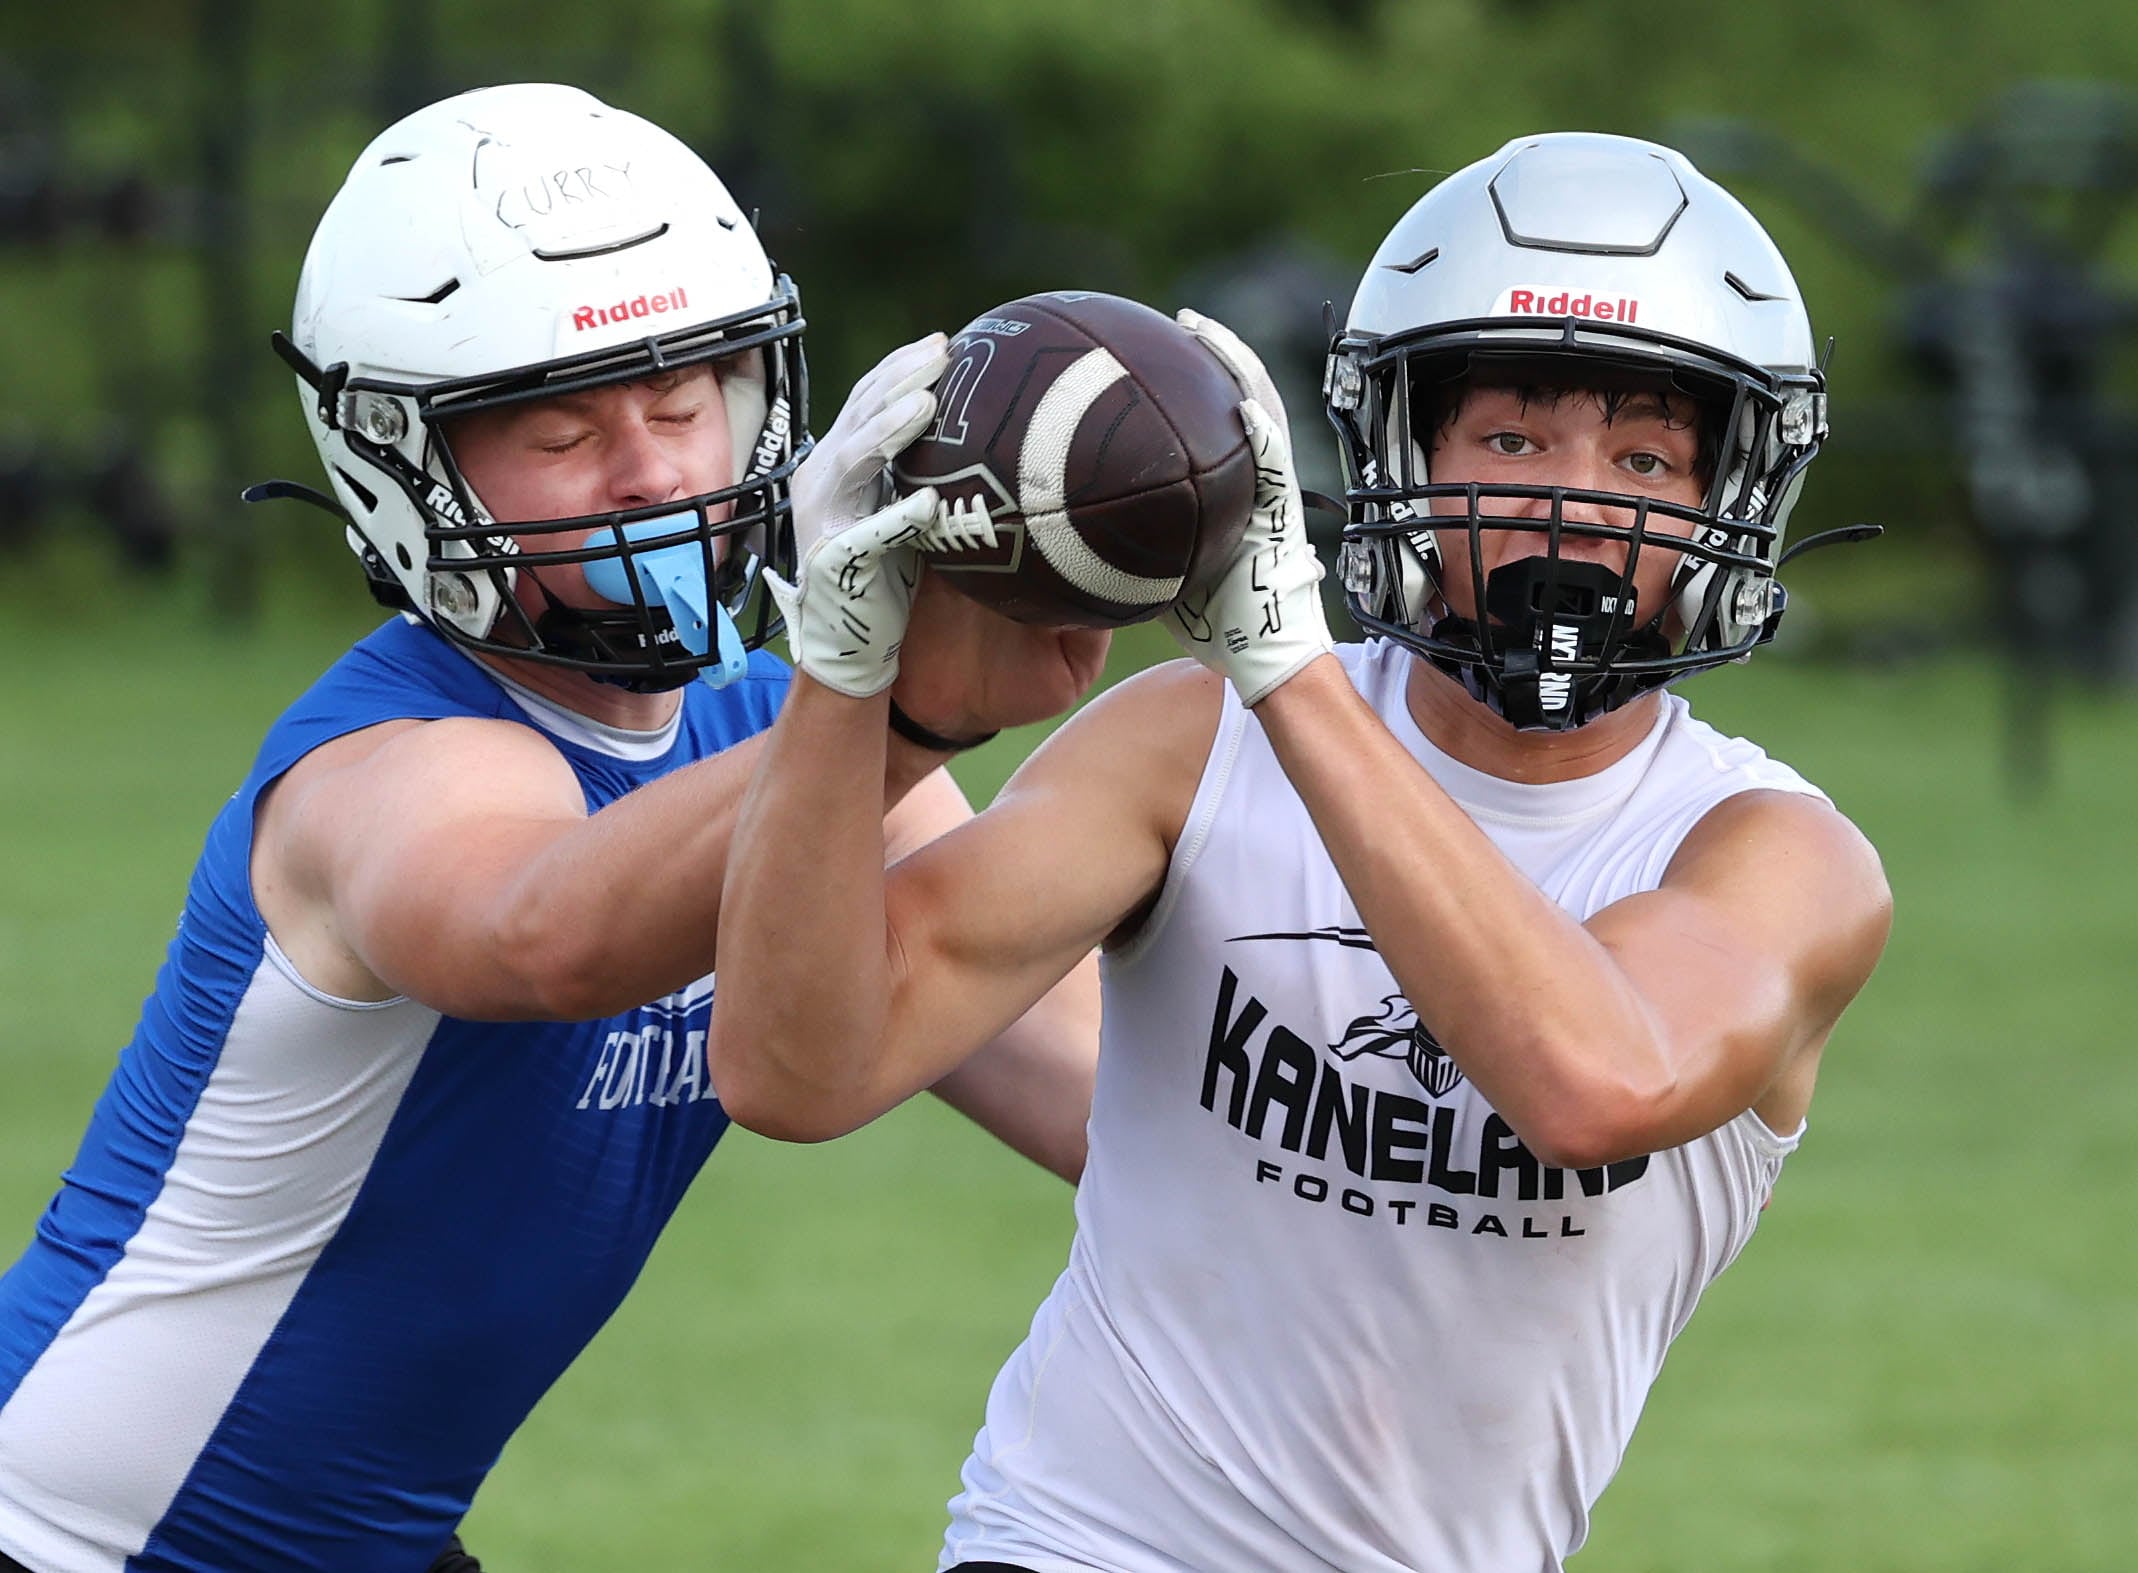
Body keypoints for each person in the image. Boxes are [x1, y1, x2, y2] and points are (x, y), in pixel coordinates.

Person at [709, 131, 1894, 1572]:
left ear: (1725, 504)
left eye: (1642, 457)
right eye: (1511, 439)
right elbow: (794, 1069)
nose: (1573, 501)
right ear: (1404, 450)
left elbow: (1594, 1079)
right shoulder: (1189, 738)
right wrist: (846, 683)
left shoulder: (1775, 854)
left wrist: (1294, 677)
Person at [0, 84, 1103, 1573]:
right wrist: (896, 708)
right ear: (402, 466)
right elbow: (549, 925)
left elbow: (1106, 1108)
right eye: (564, 432)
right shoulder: (389, 761)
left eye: (678, 404)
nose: (650, 472)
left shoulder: (790, 729)